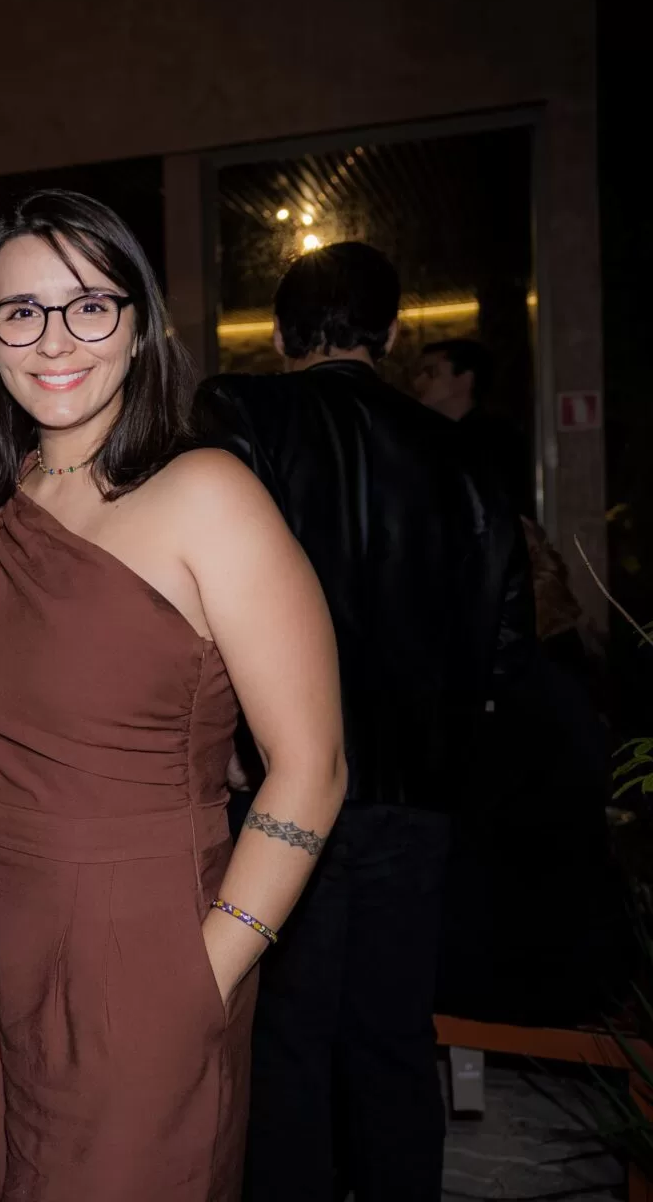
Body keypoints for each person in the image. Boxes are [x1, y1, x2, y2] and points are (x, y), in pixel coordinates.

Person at [0, 190, 346, 1201]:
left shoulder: (207, 495)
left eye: (88, 305)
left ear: (139, 323)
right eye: (20, 312)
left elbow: (313, 767)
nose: (53, 338)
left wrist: (210, 969)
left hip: (144, 942)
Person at [195, 241, 531, 1201]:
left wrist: (223, 744)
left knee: (284, 1041)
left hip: (276, 781)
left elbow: (203, 597)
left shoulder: (242, 413)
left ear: (279, 331)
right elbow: (508, 630)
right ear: (390, 332)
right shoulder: (458, 451)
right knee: (392, 1038)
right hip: (417, 790)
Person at [411, 337, 534, 517]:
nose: (418, 382)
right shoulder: (425, 435)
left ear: (465, 380)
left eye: (431, 372)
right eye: (419, 373)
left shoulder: (496, 439)